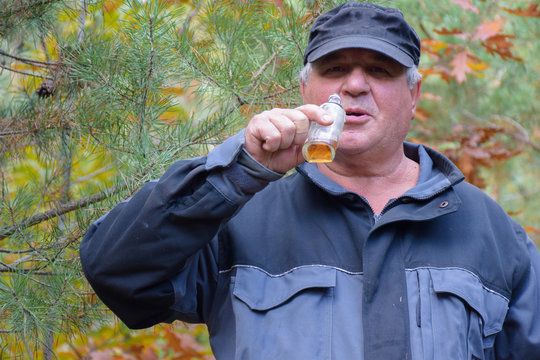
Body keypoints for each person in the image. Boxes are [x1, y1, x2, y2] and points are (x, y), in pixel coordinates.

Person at [80, 2, 540, 359]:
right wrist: (239, 170)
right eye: (335, 69)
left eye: (379, 70)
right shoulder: (238, 213)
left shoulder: (493, 234)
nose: (354, 86)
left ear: (414, 93)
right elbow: (117, 273)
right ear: (306, 90)